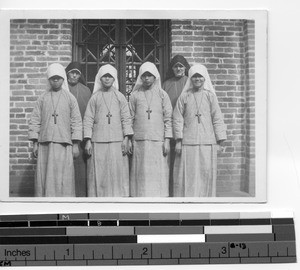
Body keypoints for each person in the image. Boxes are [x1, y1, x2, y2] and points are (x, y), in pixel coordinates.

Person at [28, 63, 82, 197]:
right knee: (46, 174)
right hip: (45, 143)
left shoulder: (70, 98)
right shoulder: (43, 98)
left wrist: (75, 144)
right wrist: (35, 143)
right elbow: (35, 120)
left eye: (58, 77)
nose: (56, 80)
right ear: (49, 79)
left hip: (64, 143)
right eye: (53, 78)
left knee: (63, 175)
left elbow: (76, 121)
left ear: (63, 78)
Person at [173, 64, 227, 197]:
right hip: (188, 141)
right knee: (188, 172)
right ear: (190, 78)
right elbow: (177, 118)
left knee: (205, 172)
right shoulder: (184, 97)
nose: (197, 79)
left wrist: (219, 142)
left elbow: (217, 118)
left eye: (200, 76)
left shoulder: (210, 97)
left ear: (205, 78)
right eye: (194, 76)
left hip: (207, 141)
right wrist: (179, 141)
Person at [83, 64, 133, 197]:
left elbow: (126, 118)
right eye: (104, 76)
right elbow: (88, 119)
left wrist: (126, 138)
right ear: (100, 78)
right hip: (98, 141)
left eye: (110, 76)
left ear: (114, 79)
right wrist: (88, 140)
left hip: (117, 141)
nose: (107, 79)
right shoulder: (94, 98)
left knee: (117, 172)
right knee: (100, 173)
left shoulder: (120, 97)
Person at [129, 62, 173, 197]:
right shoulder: (134, 95)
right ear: (140, 78)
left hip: (158, 140)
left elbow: (168, 118)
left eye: (150, 75)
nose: (147, 78)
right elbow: (129, 118)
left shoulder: (162, 95)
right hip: (139, 140)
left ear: (155, 77)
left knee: (157, 171)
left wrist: (167, 140)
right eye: (144, 76)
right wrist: (129, 139)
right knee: (141, 171)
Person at [162, 55, 190, 196]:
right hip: (169, 126)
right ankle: (171, 190)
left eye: (181, 66)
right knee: (170, 159)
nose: (178, 69)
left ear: (185, 68)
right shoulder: (167, 84)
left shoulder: (189, 82)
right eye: (175, 66)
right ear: (172, 69)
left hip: (186, 127)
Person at [65, 61, 92, 197]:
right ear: (67, 73)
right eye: (72, 72)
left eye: (77, 73)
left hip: (80, 134)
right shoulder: (62, 88)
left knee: (80, 167)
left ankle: (80, 195)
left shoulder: (86, 91)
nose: (74, 76)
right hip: (64, 133)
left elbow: (89, 113)